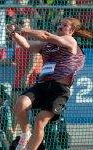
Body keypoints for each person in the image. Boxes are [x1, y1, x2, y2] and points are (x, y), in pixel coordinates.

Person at [6, 17, 93, 150]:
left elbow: (46, 35)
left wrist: (21, 29)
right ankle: (25, 134)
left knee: (40, 121)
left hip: (59, 90)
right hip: (42, 85)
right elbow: (27, 45)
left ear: (72, 30)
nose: (60, 26)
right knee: (20, 103)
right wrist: (14, 34)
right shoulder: (47, 45)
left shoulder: (70, 41)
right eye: (60, 24)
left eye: (64, 25)